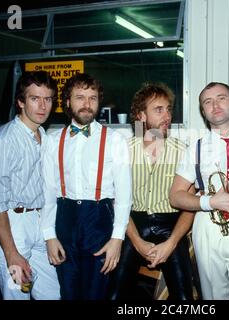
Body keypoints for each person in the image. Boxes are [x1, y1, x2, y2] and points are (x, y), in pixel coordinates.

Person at [169, 82, 229, 300]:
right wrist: (210, 201)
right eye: (208, 102)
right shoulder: (196, 148)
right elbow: (175, 195)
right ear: (203, 111)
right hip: (209, 229)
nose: (215, 105)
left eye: (221, 98)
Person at [41, 73, 132, 300]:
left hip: (99, 223)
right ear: (68, 102)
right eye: (80, 97)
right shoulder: (53, 140)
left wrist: (117, 239)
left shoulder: (115, 140)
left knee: (96, 294)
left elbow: (124, 195)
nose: (87, 104)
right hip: (65, 221)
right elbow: (48, 192)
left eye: (92, 98)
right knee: (69, 293)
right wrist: (49, 235)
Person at [108, 83, 195, 300]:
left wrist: (172, 243)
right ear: (141, 116)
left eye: (168, 109)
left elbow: (191, 206)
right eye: (159, 109)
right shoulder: (124, 150)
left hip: (171, 228)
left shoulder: (183, 151)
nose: (167, 115)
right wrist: (137, 242)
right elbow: (115, 201)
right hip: (133, 226)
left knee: (184, 298)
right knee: (114, 295)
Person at [0, 71, 60, 300]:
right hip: (12, 226)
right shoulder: (3, 141)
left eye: (47, 99)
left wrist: (49, 234)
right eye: (35, 98)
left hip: (39, 224)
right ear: (20, 102)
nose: (42, 105)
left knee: (53, 295)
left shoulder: (43, 136)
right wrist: (11, 253)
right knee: (17, 296)